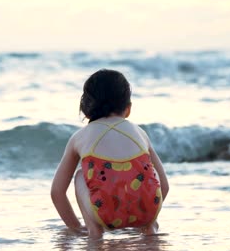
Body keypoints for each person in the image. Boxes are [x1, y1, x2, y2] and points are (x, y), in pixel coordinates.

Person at [51, 69, 169, 239]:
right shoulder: (140, 132)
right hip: (147, 207)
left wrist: (75, 227)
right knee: (150, 171)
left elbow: (57, 192)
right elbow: (163, 185)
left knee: (79, 176)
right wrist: (148, 213)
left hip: (103, 211)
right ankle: (150, 228)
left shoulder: (79, 137)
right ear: (128, 109)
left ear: (86, 109)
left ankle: (94, 231)